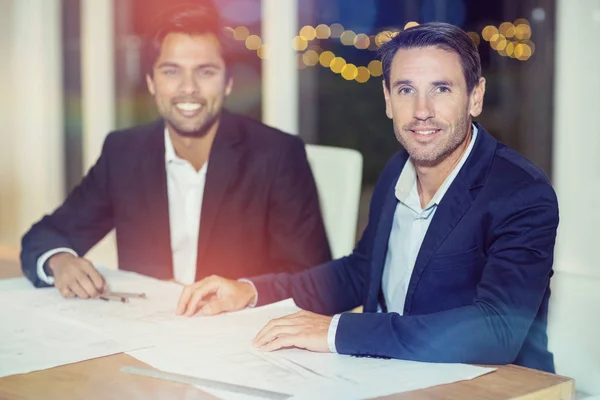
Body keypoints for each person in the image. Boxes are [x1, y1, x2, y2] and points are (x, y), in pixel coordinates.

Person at [175, 22, 560, 373]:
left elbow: (497, 329)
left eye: (441, 89)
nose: (422, 111)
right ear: (389, 100)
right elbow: (360, 272)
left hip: (499, 386)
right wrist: (252, 291)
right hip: (393, 376)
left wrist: (337, 331)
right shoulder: (397, 169)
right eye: (406, 90)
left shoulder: (522, 193)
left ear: (475, 97)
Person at [20, 2, 331, 299]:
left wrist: (244, 294)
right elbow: (43, 237)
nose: (188, 88)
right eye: (171, 71)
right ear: (151, 82)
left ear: (228, 83)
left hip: (241, 339)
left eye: (205, 71)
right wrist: (60, 260)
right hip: (147, 337)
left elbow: (315, 279)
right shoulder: (123, 153)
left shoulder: (277, 155)